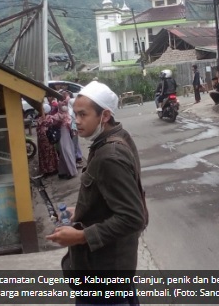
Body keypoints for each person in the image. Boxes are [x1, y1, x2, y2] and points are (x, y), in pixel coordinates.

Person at [46, 81, 147, 305]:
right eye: (75, 114)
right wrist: (82, 210)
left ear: (105, 115)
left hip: (105, 275)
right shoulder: (114, 139)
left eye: (83, 114)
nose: (76, 121)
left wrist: (81, 236)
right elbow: (111, 198)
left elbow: (132, 217)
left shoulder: (110, 156)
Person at [50, 102, 78, 180]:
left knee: (66, 152)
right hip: (65, 135)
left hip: (64, 135)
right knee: (63, 153)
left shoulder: (62, 115)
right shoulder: (66, 115)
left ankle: (71, 171)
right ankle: (63, 171)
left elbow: (54, 119)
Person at [36, 103, 59, 177]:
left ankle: (49, 169)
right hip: (44, 137)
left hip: (45, 137)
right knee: (48, 153)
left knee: (47, 153)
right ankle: (50, 169)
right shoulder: (47, 117)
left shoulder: (46, 118)